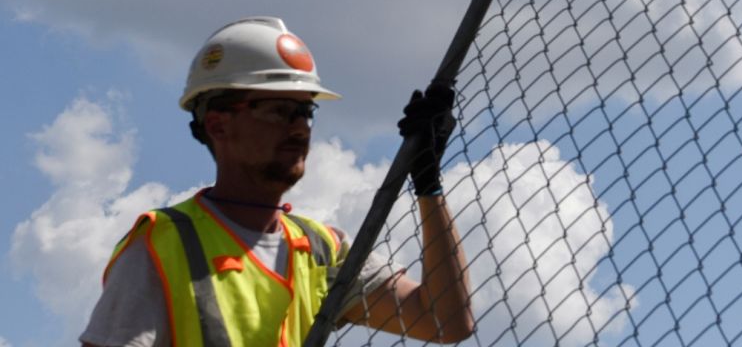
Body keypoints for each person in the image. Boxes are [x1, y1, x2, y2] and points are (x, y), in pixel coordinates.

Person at [80, 17, 474, 346]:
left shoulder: (322, 251)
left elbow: (446, 321)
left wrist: (428, 184)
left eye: (306, 112)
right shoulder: (161, 244)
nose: (300, 128)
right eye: (279, 110)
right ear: (218, 124)